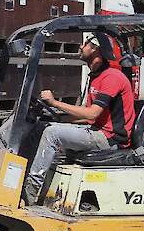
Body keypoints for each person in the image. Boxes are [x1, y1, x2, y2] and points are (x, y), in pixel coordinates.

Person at [23, 33, 135, 203]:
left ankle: (30, 192)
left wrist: (55, 103)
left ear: (95, 49)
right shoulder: (96, 76)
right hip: (98, 132)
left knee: (52, 134)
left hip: (110, 139)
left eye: (85, 44)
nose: (81, 47)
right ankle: (21, 177)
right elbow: (87, 114)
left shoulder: (112, 77)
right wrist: (58, 119)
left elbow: (92, 114)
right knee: (43, 127)